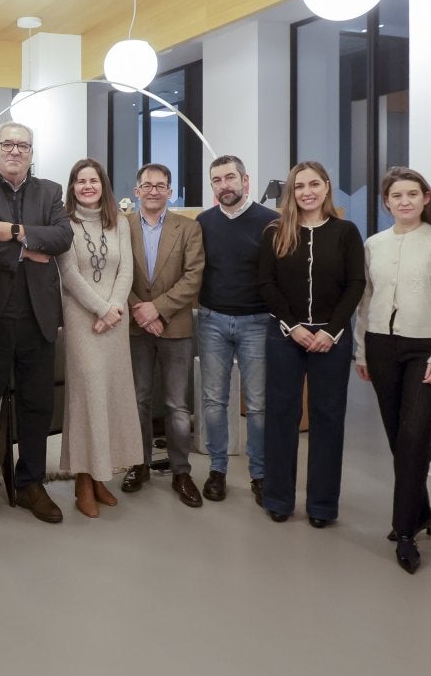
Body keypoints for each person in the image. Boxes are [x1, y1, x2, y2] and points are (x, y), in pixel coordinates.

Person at [0, 122, 74, 524]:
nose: (16, 151)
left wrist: (16, 232)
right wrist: (28, 251)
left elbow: (61, 238)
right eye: (9, 144)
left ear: (32, 152)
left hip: (38, 314)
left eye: (23, 145)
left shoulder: (51, 191)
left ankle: (31, 482)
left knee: (37, 403)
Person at [354, 168, 431, 574]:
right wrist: (361, 352)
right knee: (397, 438)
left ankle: (403, 531)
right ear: (386, 202)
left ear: (426, 198)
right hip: (382, 346)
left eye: (411, 194)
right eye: (396, 195)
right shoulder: (374, 244)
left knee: (415, 436)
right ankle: (419, 512)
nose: (404, 201)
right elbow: (366, 301)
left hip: (427, 347)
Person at [256, 161, 365, 527]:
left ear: (327, 187)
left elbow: (355, 284)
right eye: (299, 185)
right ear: (291, 191)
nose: (307, 191)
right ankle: (278, 498)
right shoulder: (275, 232)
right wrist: (292, 327)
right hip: (285, 336)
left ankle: (322, 505)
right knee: (281, 416)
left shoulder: (346, 232)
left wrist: (332, 331)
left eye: (314, 184)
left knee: (328, 419)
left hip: (330, 339)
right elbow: (266, 284)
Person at [58, 158, 143, 517]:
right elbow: (69, 273)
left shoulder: (119, 222)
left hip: (115, 320)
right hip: (81, 319)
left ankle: (100, 476)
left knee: (109, 396)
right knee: (85, 397)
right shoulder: (64, 223)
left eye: (93, 180)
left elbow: (127, 269)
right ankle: (82, 478)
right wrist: (100, 309)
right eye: (81, 181)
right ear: (73, 187)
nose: (87, 186)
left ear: (103, 185)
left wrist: (114, 309)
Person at [194, 155, 279, 506]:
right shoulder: (203, 222)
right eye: (217, 180)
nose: (224, 185)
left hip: (258, 323)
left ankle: (259, 474)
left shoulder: (271, 221)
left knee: (258, 405)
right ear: (212, 185)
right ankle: (217, 470)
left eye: (230, 178)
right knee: (214, 402)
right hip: (212, 320)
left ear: (245, 180)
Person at [122, 163, 205, 507]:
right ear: (137, 190)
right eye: (147, 185)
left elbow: (193, 276)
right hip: (134, 326)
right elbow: (114, 271)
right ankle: (138, 464)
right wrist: (139, 309)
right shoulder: (121, 226)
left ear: (170, 191)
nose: (154, 190)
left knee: (176, 404)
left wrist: (157, 309)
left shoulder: (188, 228)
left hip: (175, 327)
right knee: (138, 399)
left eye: (161, 185)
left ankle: (181, 471)